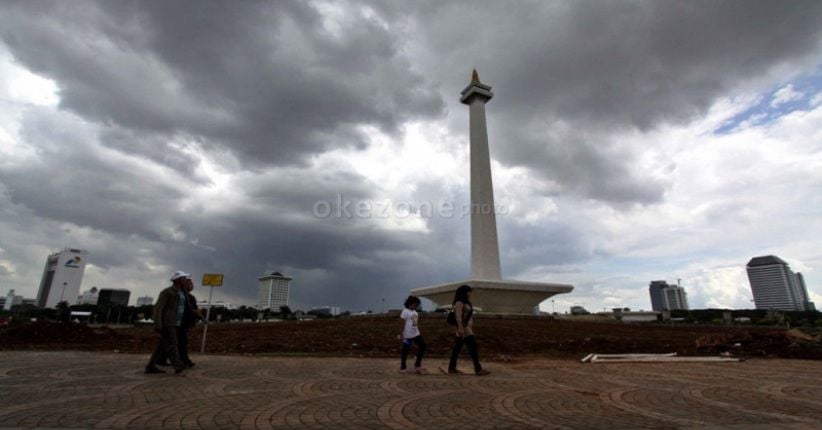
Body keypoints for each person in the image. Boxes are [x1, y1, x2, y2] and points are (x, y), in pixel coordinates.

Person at [145, 271, 189, 374]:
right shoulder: (167, 292)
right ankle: (178, 366)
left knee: (161, 346)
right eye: (184, 278)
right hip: (168, 323)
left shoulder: (182, 292)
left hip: (177, 323)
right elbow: (158, 308)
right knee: (172, 344)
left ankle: (150, 366)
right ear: (178, 280)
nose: (185, 280)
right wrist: (158, 324)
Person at [447, 285, 489, 376]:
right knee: (472, 347)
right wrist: (460, 328)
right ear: (464, 292)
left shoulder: (467, 302)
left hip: (465, 327)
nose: (470, 293)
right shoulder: (459, 302)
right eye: (468, 291)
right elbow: (458, 316)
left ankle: (452, 368)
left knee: (457, 347)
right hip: (463, 328)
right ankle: (478, 369)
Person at [178, 277, 206, 368]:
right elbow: (195, 310)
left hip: (182, 323)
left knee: (172, 342)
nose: (192, 286)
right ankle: (184, 361)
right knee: (181, 342)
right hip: (179, 324)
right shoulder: (185, 296)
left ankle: (161, 359)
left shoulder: (186, 296)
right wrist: (203, 319)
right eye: (190, 283)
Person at [398, 295, 427, 374]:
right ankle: (403, 367)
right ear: (410, 303)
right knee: (405, 351)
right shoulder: (405, 311)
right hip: (407, 335)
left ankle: (417, 365)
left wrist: (417, 332)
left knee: (423, 346)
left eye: (417, 305)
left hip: (416, 334)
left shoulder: (415, 312)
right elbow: (401, 324)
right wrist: (401, 335)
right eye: (415, 304)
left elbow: (415, 324)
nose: (416, 306)